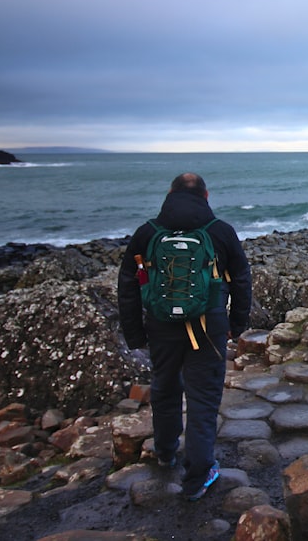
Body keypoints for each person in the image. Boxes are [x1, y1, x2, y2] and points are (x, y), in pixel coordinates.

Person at [118, 172, 252, 501]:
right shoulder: (220, 232)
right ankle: (198, 476)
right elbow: (242, 280)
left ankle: (165, 452)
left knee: (164, 387)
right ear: (206, 196)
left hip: (161, 326)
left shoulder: (147, 233)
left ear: (169, 194)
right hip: (209, 327)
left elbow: (128, 284)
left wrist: (134, 333)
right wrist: (238, 323)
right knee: (203, 398)